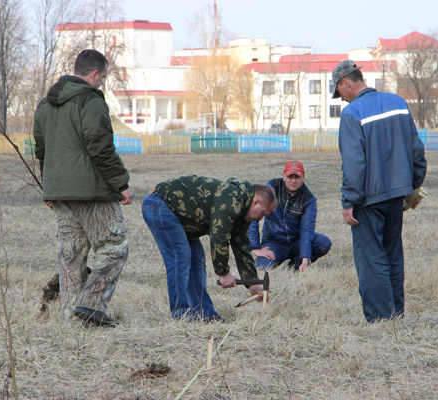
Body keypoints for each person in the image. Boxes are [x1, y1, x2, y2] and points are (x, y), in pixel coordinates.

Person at [34, 49, 134, 327]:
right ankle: (90, 304)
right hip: (90, 190)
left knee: (71, 254)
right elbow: (100, 147)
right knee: (114, 245)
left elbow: (42, 150)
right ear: (94, 74)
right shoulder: (90, 101)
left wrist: (49, 188)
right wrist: (121, 184)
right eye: (102, 77)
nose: (102, 82)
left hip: (59, 191)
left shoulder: (45, 104)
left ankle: (71, 320)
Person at [332, 60, 427, 323]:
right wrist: (413, 189)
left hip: (367, 200)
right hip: (396, 197)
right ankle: (396, 314)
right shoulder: (398, 102)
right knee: (393, 255)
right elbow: (416, 151)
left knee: (372, 260)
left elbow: (354, 164)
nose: (341, 98)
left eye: (339, 91)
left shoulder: (352, 114)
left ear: (346, 83)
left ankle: (381, 321)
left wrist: (349, 200)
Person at [142, 175, 277, 322]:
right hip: (160, 205)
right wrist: (223, 273)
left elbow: (241, 246)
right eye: (263, 213)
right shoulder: (232, 199)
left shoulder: (243, 211)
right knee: (180, 257)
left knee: (196, 260)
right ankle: (181, 314)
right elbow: (219, 237)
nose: (261, 219)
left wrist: (251, 284)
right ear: (255, 203)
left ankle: (204, 313)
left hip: (182, 218)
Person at [248, 160, 332, 272]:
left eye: (297, 177)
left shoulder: (309, 199)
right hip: (274, 242)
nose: (293, 180)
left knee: (323, 243)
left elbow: (307, 230)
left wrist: (305, 258)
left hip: (296, 241)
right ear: (284, 176)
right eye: (290, 176)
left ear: (303, 177)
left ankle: (296, 264)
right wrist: (255, 247)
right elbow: (253, 215)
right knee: (262, 267)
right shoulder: (271, 187)